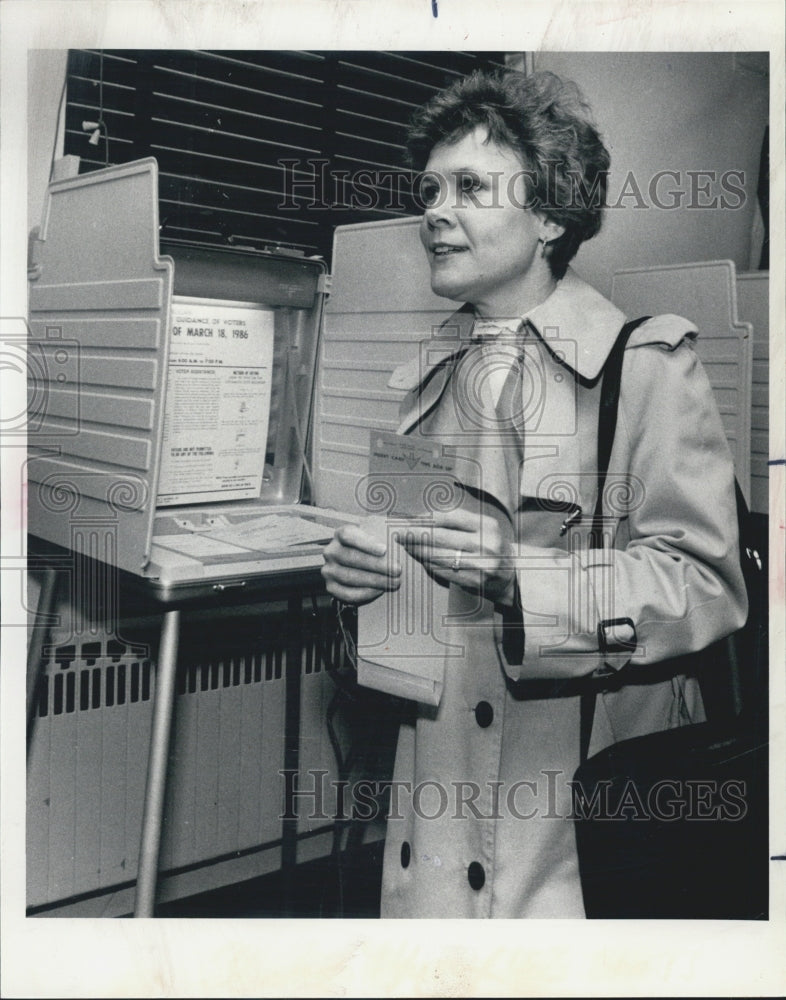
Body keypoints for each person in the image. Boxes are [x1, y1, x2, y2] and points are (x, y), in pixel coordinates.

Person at [321, 68, 747, 918]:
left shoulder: (648, 367)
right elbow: (411, 608)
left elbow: (705, 585)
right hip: (434, 807)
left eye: (471, 187)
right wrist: (361, 590)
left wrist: (522, 579)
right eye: (431, 189)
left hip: (570, 817)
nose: (435, 211)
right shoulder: (426, 378)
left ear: (550, 215)